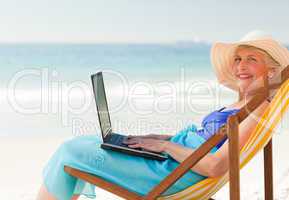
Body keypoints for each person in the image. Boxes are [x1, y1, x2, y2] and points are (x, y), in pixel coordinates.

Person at [36, 31, 289, 200]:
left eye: (251, 59)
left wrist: (164, 146)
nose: (240, 66)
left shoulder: (259, 109)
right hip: (174, 162)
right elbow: (211, 140)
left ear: (272, 70)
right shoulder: (246, 104)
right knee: (87, 144)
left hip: (173, 174)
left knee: (71, 151)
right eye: (238, 59)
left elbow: (215, 165)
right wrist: (159, 139)